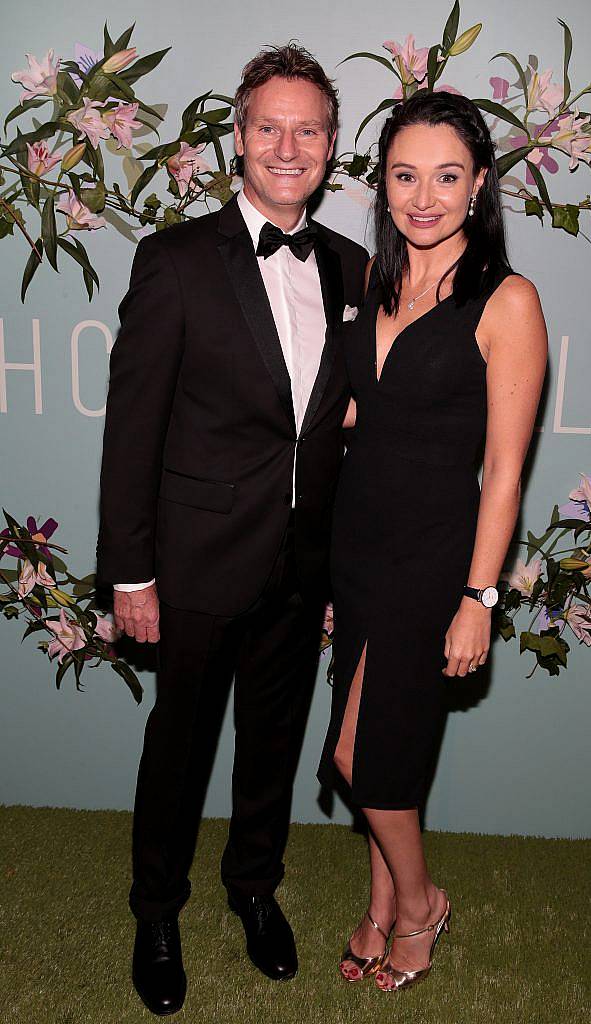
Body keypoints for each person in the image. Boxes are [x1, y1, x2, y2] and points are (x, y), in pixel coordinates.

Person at [97, 44, 367, 1014]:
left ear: (331, 147)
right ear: (238, 139)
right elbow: (132, 431)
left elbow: (341, 413)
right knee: (178, 748)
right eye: (269, 127)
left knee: (271, 742)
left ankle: (253, 887)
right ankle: (155, 909)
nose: (287, 146)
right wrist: (130, 574)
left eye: (308, 129)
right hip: (197, 562)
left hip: (302, 566)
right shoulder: (174, 261)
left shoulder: (350, 266)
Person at [318, 90, 547, 992]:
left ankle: (419, 905)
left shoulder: (507, 301)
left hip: (434, 559)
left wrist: (478, 598)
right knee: (387, 750)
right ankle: (379, 909)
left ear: (480, 183)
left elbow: (505, 470)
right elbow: (349, 418)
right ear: (383, 184)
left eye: (447, 176)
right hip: (358, 549)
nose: (424, 197)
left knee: (357, 755)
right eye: (405, 176)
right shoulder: (375, 283)